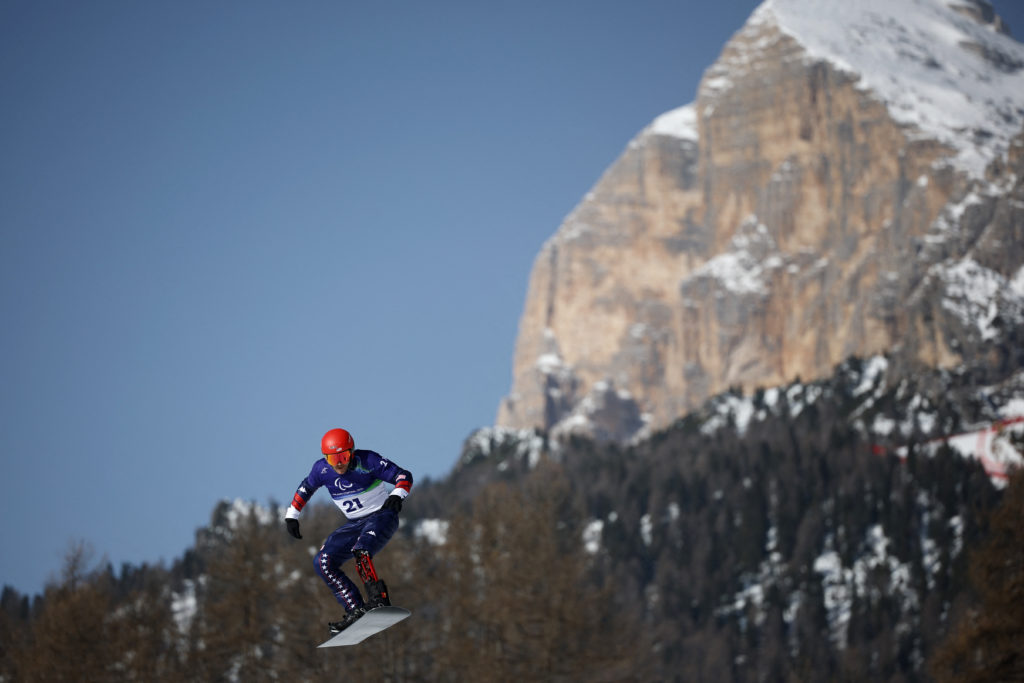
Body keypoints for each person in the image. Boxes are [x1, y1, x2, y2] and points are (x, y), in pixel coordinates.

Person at [284, 427, 413, 635]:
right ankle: (355, 609)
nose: (340, 464)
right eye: (333, 459)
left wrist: (397, 495)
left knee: (361, 550)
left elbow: (404, 475)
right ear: (325, 459)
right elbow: (305, 487)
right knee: (322, 562)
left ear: (352, 452)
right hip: (354, 524)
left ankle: (377, 600)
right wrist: (292, 515)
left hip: (382, 516)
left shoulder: (368, 461)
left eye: (344, 456)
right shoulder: (321, 470)